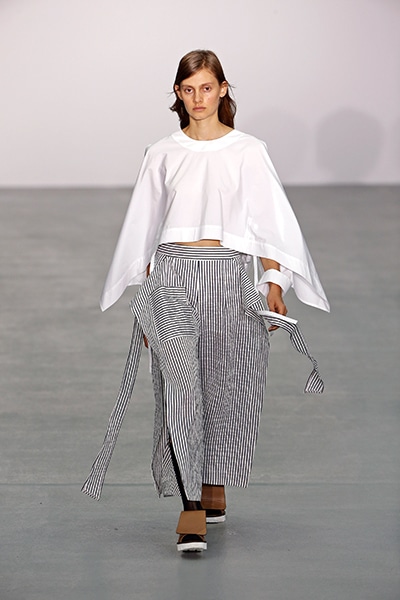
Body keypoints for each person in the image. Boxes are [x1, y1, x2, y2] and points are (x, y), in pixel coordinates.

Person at [82, 49, 330, 553]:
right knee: (179, 390)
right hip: (173, 277)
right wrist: (145, 302)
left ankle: (213, 480)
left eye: (207, 87)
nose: (198, 98)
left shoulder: (248, 150)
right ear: (178, 93)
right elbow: (144, 227)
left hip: (232, 276)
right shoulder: (162, 152)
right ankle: (190, 505)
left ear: (223, 89)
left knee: (227, 384)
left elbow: (270, 223)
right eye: (188, 89)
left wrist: (274, 284)